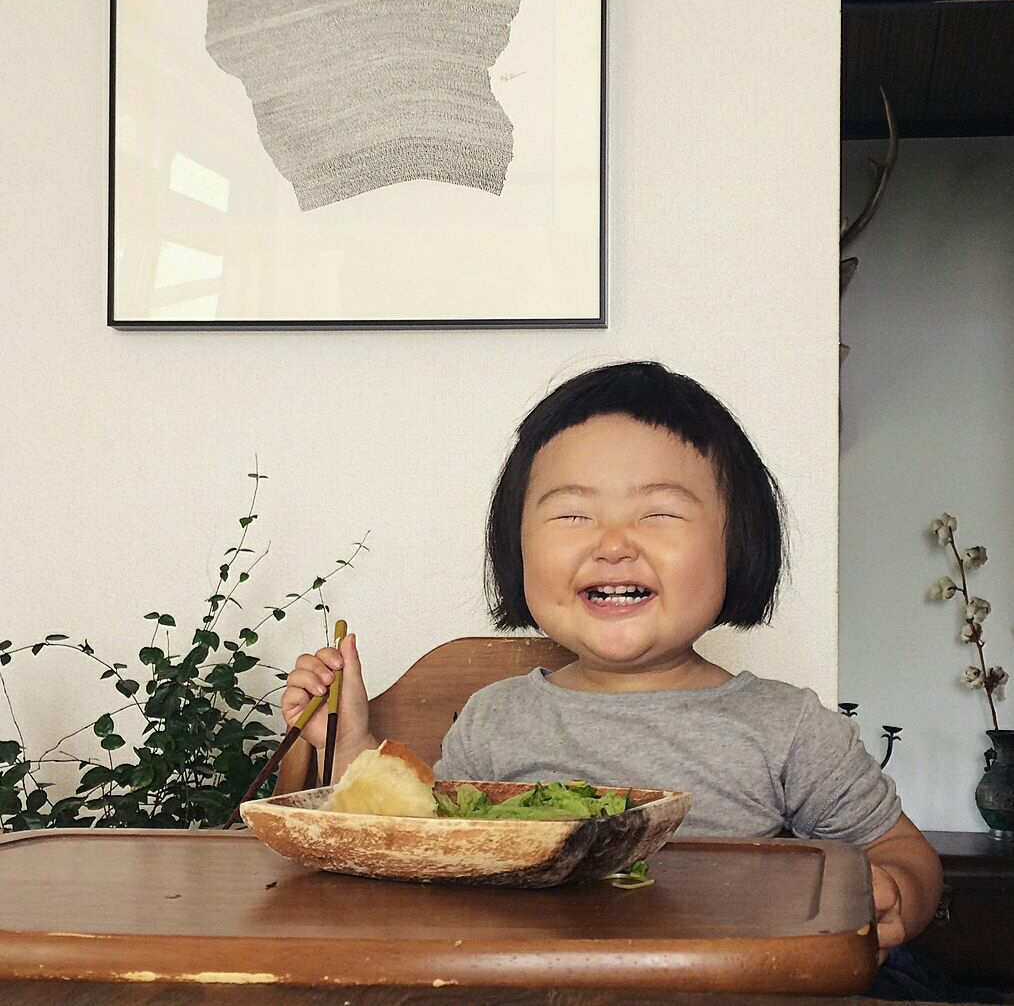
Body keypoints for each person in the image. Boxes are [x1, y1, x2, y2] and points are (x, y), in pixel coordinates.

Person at [282, 360, 942, 957]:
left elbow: (899, 851)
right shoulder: (493, 720)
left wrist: (894, 896)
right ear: (517, 547)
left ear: (736, 541)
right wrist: (348, 744)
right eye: (573, 516)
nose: (614, 544)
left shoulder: (787, 727)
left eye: (659, 514)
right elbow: (425, 846)